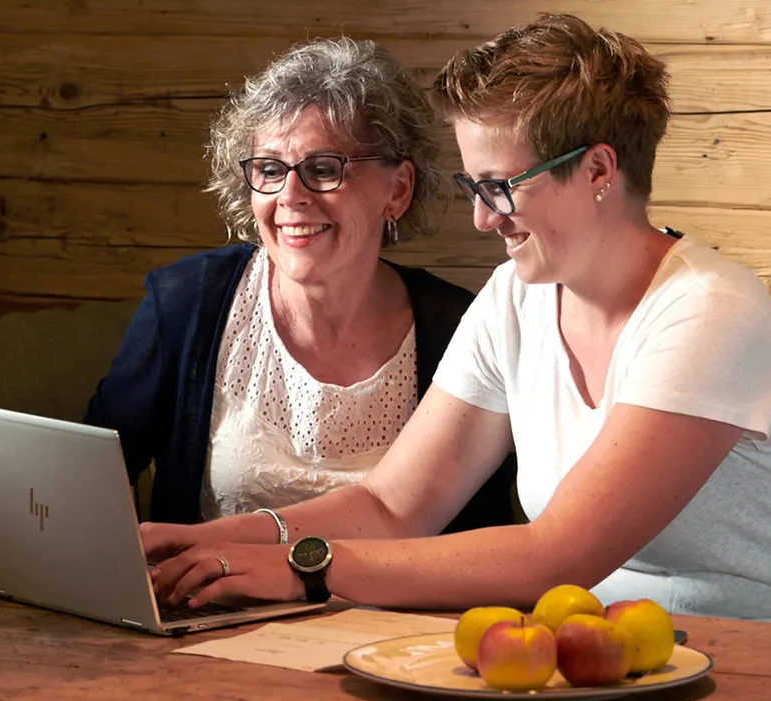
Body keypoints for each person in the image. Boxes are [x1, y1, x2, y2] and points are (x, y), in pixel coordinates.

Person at [139, 15, 771, 701]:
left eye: (501, 186)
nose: (477, 215)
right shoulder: (516, 295)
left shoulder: (708, 315)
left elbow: (561, 553)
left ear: (597, 172)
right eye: (473, 183)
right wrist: (208, 540)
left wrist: (307, 571)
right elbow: (395, 505)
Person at [86, 37, 514, 531]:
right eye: (269, 169)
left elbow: (481, 539)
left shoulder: (461, 328)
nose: (291, 196)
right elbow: (81, 484)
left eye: (324, 169)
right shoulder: (185, 303)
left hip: (397, 611)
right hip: (207, 606)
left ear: (397, 190)